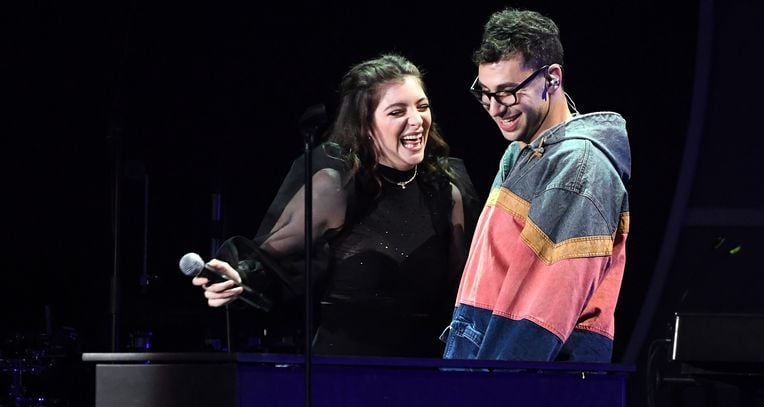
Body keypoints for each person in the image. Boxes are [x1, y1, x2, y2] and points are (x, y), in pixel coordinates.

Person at [193, 53, 479, 358]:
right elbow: (270, 260)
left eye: (422, 107)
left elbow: (468, 292)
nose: (417, 120)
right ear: (366, 124)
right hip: (344, 375)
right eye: (397, 112)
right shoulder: (338, 187)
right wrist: (238, 277)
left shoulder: (445, 191)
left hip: (426, 374)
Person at [441, 8, 631, 362]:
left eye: (509, 92)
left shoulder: (580, 167)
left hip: (527, 392)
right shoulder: (521, 154)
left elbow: (540, 311)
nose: (496, 108)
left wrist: (482, 396)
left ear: (552, 79)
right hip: (491, 376)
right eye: (485, 93)